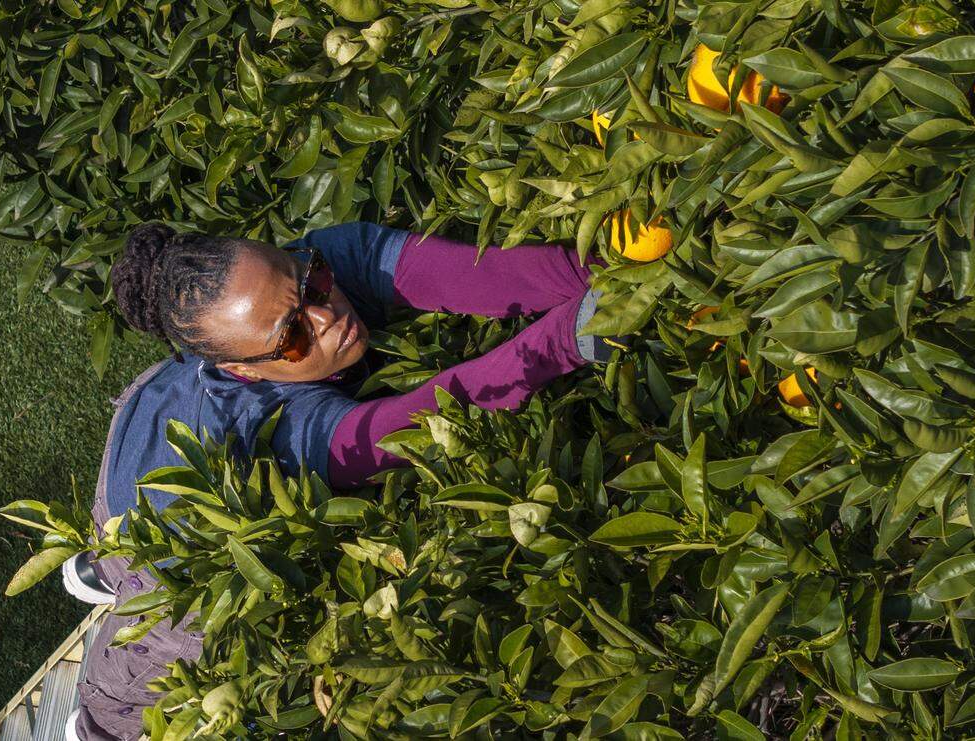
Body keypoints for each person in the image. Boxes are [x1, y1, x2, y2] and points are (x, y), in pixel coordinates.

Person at [70, 220, 622, 739]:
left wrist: (620, 266)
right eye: (292, 337)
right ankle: (104, 656)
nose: (326, 314)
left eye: (311, 282)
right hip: (170, 556)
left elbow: (497, 273)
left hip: (154, 419)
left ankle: (97, 560)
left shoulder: (316, 269)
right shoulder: (271, 432)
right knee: (136, 681)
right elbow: (418, 419)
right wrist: (573, 337)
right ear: (243, 369)